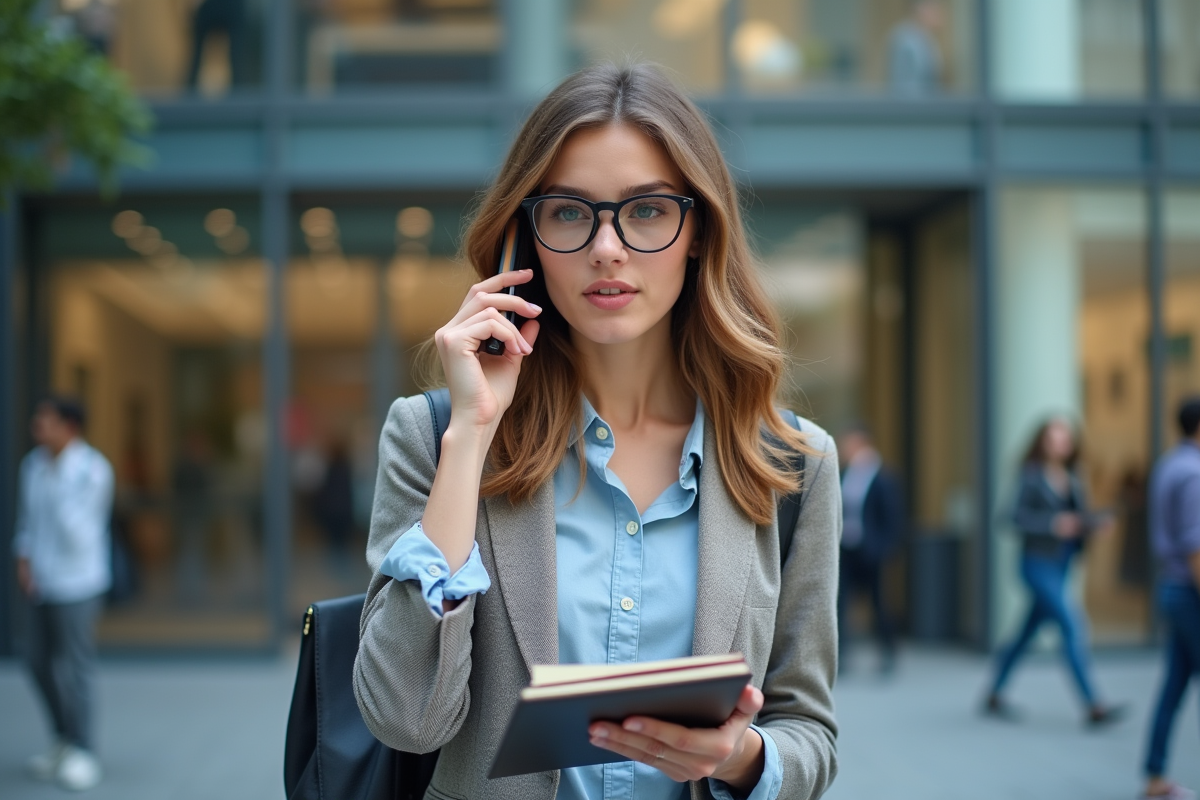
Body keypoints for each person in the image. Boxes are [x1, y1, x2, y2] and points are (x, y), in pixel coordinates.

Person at [352, 63, 841, 800]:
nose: (607, 247)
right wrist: (471, 440)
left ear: (698, 231)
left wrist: (736, 756)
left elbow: (809, 730)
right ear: (526, 240)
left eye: (646, 211)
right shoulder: (436, 436)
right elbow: (406, 719)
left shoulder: (793, 464)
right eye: (570, 212)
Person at [983, 416, 1125, 726]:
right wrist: (1052, 525)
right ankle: (1093, 704)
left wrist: (1095, 524)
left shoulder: (1073, 477)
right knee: (1072, 626)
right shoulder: (1031, 476)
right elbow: (1010, 517)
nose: (1060, 443)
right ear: (1042, 442)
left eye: (1065, 438)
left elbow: (1078, 519)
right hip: (1036, 565)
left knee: (1024, 635)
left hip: (1062, 565)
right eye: (1053, 438)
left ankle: (993, 693)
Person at [13, 396, 114, 791]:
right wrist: (22, 557)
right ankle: (62, 738)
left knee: (77, 667)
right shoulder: (33, 465)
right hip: (40, 582)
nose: (37, 428)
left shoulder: (91, 470)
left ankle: (84, 749)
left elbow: (79, 533)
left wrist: (60, 484)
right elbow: (28, 520)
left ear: (69, 428)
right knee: (35, 659)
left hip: (78, 582)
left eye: (46, 421)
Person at [1139, 396, 1200, 800]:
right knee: (1174, 685)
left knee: (1175, 685)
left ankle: (1155, 776)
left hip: (1172, 589)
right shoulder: (1194, 473)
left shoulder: (1168, 464)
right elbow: (1196, 550)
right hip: (1189, 591)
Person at [837, 424, 905, 674]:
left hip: (871, 552)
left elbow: (892, 517)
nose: (845, 449)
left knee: (879, 604)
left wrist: (885, 550)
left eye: (849, 443)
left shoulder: (884, 476)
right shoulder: (844, 474)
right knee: (841, 603)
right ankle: (841, 655)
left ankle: (888, 652)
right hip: (846, 549)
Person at [887, 0, 945, 96]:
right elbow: (905, 89)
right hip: (915, 108)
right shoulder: (905, 40)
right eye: (935, 8)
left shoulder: (926, 39)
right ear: (922, 9)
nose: (940, 13)